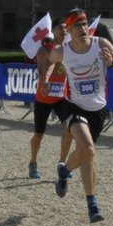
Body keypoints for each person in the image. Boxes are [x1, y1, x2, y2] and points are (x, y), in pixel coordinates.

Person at [39, 9, 113, 223]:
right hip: (73, 106)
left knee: (85, 154)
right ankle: (92, 204)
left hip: (98, 110)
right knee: (89, 149)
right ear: (69, 31)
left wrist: (112, 64)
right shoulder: (63, 51)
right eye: (78, 26)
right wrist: (45, 79)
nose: (83, 29)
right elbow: (50, 61)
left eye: (85, 24)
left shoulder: (101, 45)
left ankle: (65, 171)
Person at [28, 34, 72, 180]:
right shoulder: (44, 50)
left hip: (60, 97)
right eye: (60, 28)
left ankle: (63, 164)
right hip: (44, 97)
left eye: (66, 29)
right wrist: (44, 83)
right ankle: (33, 162)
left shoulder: (68, 48)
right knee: (39, 134)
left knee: (69, 129)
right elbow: (41, 71)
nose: (64, 32)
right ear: (54, 30)